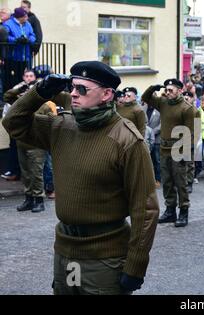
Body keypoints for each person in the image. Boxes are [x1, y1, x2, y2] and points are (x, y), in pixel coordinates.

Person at [2, 61, 160, 295]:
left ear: (107, 94)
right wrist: (41, 90)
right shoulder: (63, 127)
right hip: (66, 252)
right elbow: (13, 122)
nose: (74, 94)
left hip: (105, 259)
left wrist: (135, 266)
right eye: (72, 87)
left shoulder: (127, 140)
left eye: (82, 89)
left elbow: (145, 209)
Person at [3, 69, 64, 212]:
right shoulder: (20, 104)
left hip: (36, 145)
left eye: (30, 91)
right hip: (21, 143)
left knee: (36, 173)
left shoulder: (45, 105)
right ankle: (29, 198)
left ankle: (39, 199)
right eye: (27, 91)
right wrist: (21, 86)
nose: (27, 93)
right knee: (26, 173)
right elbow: (7, 96)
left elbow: (51, 123)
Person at [141, 79, 197, 228]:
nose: (167, 92)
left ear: (179, 90)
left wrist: (186, 155)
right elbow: (145, 98)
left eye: (171, 90)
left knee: (180, 183)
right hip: (164, 150)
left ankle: (183, 211)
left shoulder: (187, 108)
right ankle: (170, 210)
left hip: (179, 151)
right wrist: (154, 87)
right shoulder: (163, 103)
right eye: (166, 90)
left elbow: (190, 133)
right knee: (167, 182)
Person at [3, 7, 36, 84]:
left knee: (21, 77)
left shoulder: (27, 24)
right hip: (12, 57)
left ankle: (21, 94)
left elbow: (32, 35)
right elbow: (6, 37)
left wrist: (29, 40)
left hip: (24, 56)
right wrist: (16, 40)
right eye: (25, 16)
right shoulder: (8, 24)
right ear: (19, 17)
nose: (27, 18)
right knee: (9, 77)